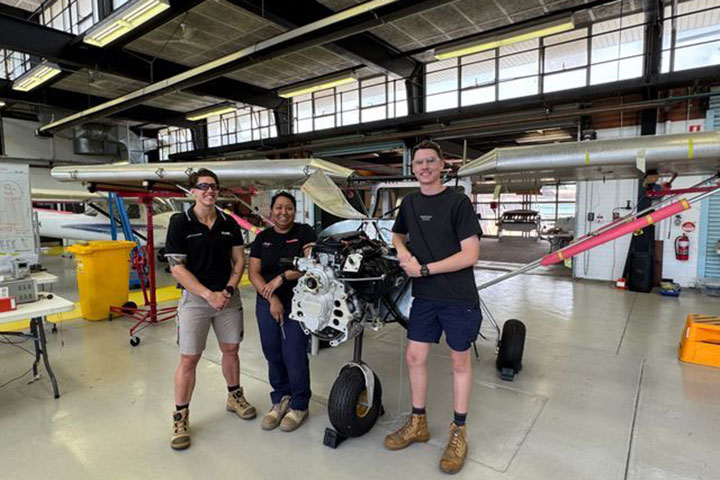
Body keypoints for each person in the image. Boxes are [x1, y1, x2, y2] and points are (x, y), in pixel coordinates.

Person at [385, 140, 482, 474]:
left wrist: (424, 269)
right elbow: (398, 235)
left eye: (430, 161)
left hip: (457, 296)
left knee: (459, 361)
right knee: (415, 357)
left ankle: (459, 431)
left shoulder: (458, 203)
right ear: (412, 169)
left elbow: (470, 255)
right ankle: (418, 422)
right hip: (424, 296)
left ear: (443, 165)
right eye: (418, 163)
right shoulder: (409, 203)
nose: (424, 166)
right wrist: (402, 251)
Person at [164, 168, 255, 451]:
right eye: (203, 186)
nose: (209, 191)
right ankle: (180, 416)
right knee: (189, 359)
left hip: (227, 299)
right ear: (193, 191)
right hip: (195, 301)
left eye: (213, 186)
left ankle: (234, 396)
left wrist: (227, 291)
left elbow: (239, 261)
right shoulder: (180, 222)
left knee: (231, 350)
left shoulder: (229, 222)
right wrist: (207, 294)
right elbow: (177, 267)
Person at [248, 192, 317, 432]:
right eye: (279, 208)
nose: (283, 212)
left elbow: (310, 265)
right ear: (271, 211)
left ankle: (299, 404)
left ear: (294, 211)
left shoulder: (304, 233)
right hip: (267, 302)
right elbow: (253, 273)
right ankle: (280, 399)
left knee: (294, 354)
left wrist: (282, 277)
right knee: (272, 352)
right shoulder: (262, 237)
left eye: (288, 208)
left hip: (298, 303)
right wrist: (272, 298)